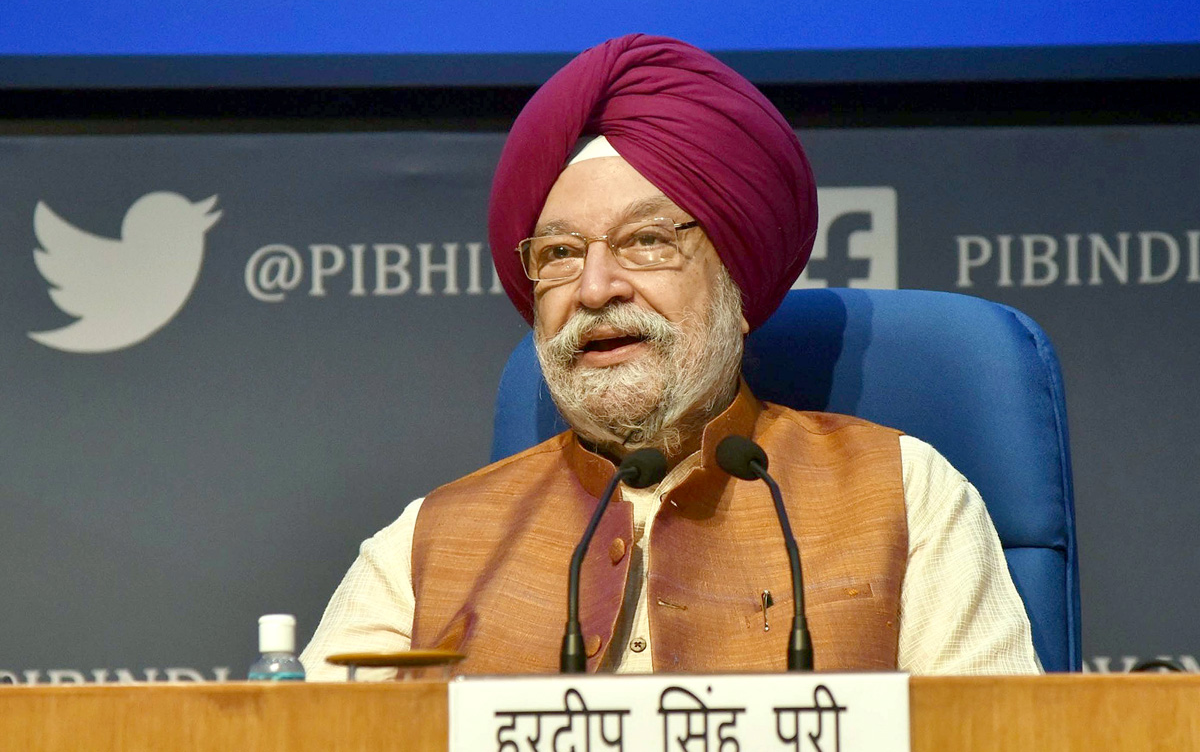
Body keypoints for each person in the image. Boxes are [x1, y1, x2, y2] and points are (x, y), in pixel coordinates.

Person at [301, 34, 1041, 679]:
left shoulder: (908, 496)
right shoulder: (426, 544)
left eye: (647, 241)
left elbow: (1003, 740)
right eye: (559, 253)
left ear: (738, 285)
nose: (594, 288)